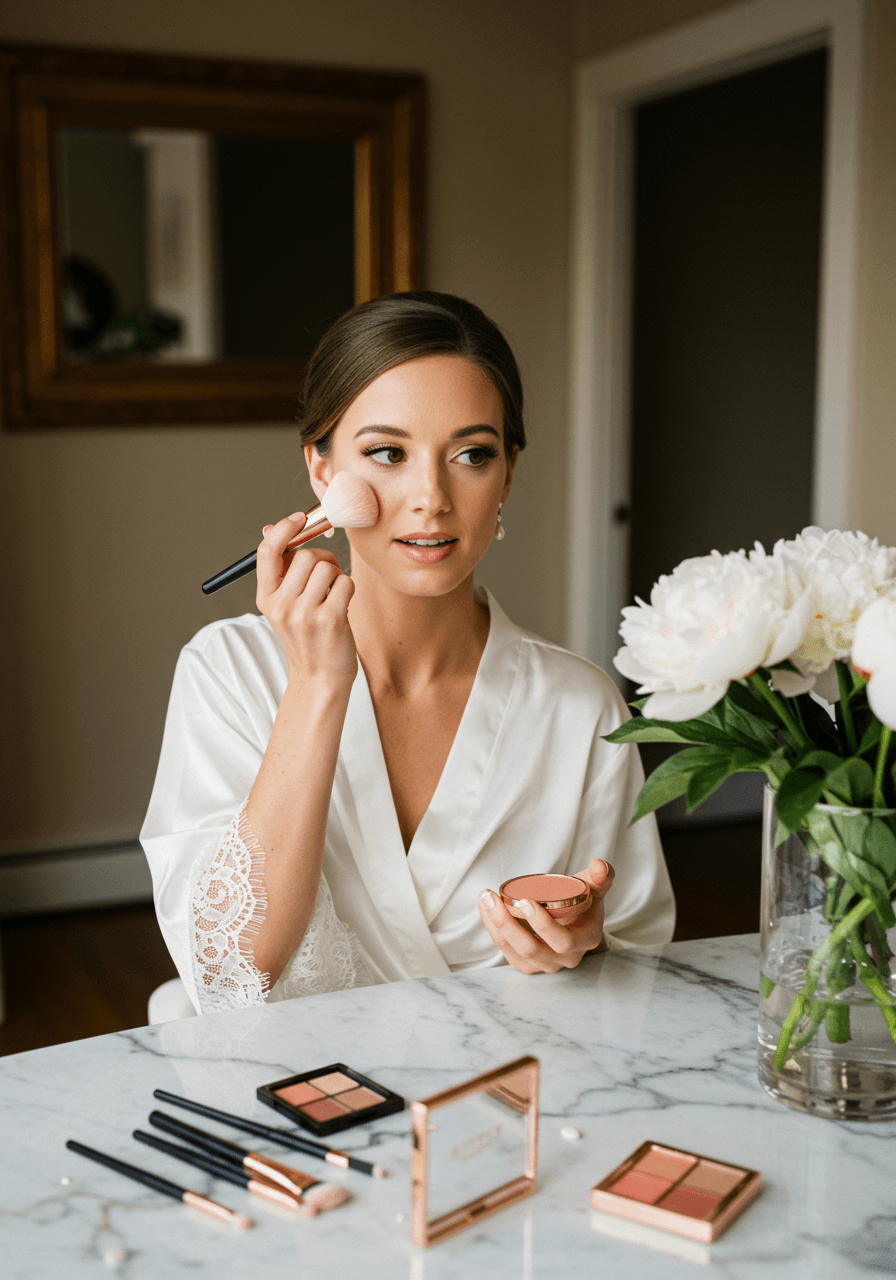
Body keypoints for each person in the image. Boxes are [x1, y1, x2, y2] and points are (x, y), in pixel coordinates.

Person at [141, 291, 674, 1015]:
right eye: (387, 453)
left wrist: (585, 946)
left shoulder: (580, 707)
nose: (431, 496)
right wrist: (318, 685)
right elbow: (235, 976)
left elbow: (641, 962)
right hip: (294, 1099)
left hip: (501, 1096)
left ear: (507, 476)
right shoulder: (227, 672)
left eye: (472, 455)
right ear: (322, 473)